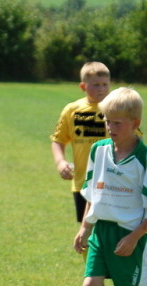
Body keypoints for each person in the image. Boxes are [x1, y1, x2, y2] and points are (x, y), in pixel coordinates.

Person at [41, 87, 147, 286]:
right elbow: (92, 192)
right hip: (101, 231)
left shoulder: (143, 158)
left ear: (135, 123)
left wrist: (135, 236)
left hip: (130, 236)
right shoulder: (99, 150)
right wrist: (85, 226)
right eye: (107, 121)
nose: (110, 127)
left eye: (117, 123)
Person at [50, 62, 110, 227]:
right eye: (96, 85)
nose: (101, 89)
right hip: (82, 183)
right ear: (83, 86)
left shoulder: (117, 108)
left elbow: (135, 140)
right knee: (86, 231)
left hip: (112, 184)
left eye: (105, 84)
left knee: (109, 231)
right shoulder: (72, 110)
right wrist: (60, 162)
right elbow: (58, 140)